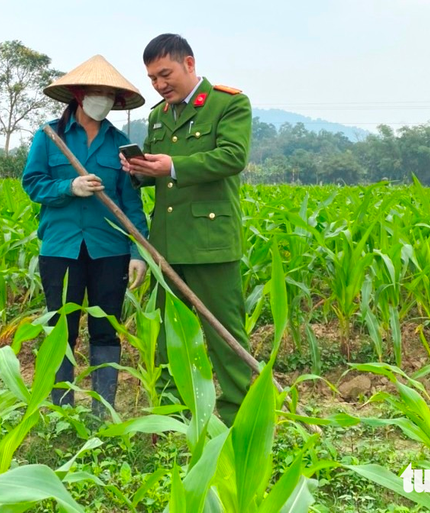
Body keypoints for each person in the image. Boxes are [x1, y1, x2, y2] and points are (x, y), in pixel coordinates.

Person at [120, 34, 252, 425]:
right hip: (166, 245)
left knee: (225, 335)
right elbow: (160, 175)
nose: (160, 85)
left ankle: (238, 416)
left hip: (211, 244)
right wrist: (140, 171)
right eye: (152, 79)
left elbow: (232, 157)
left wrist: (172, 166)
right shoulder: (160, 115)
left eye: (165, 74)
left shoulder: (228, 104)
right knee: (168, 336)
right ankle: (175, 414)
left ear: (189, 64)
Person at [23, 55, 149, 415]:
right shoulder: (49, 136)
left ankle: (102, 410)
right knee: (61, 326)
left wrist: (137, 250)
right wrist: (69, 186)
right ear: (79, 94)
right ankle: (61, 408)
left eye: (110, 95)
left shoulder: (121, 144)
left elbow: (131, 201)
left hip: (109, 250)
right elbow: (33, 184)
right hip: (61, 247)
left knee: (105, 328)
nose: (103, 100)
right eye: (97, 92)